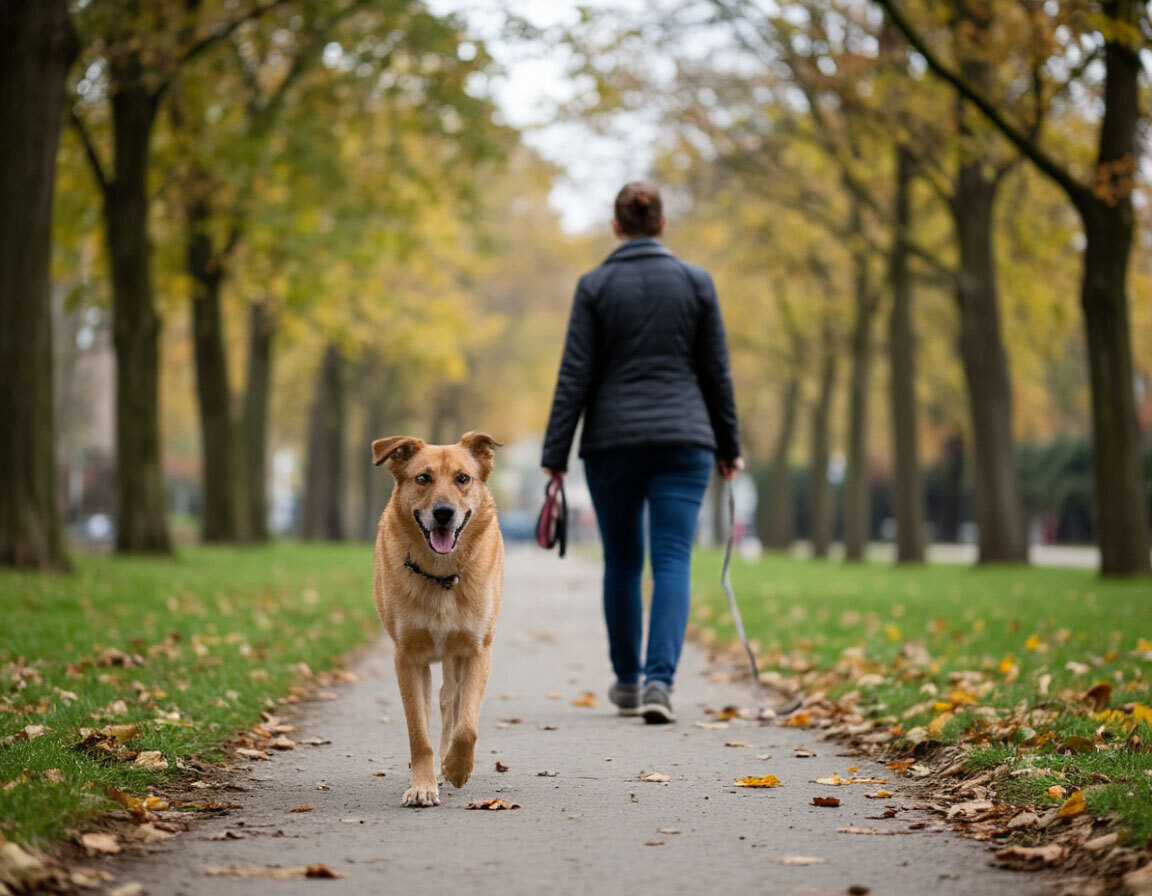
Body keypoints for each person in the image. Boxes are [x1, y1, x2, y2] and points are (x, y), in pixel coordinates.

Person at [541, 181, 743, 724]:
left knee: (623, 562)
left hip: (612, 443)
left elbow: (574, 376)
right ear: (661, 225)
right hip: (685, 439)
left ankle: (628, 682)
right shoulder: (696, 282)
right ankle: (660, 682)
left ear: (616, 227)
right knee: (673, 558)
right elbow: (715, 372)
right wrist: (730, 445)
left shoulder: (595, 285)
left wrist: (555, 454)